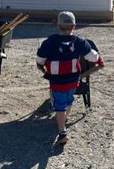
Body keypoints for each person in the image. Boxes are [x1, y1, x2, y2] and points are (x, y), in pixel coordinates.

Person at [35, 11, 104, 147]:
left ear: (58, 26)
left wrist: (41, 67)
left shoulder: (49, 42)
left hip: (57, 81)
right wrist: (99, 59)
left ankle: (62, 132)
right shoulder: (79, 42)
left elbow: (40, 60)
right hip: (73, 80)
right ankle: (64, 120)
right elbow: (93, 57)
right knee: (68, 99)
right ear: (74, 26)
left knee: (59, 105)